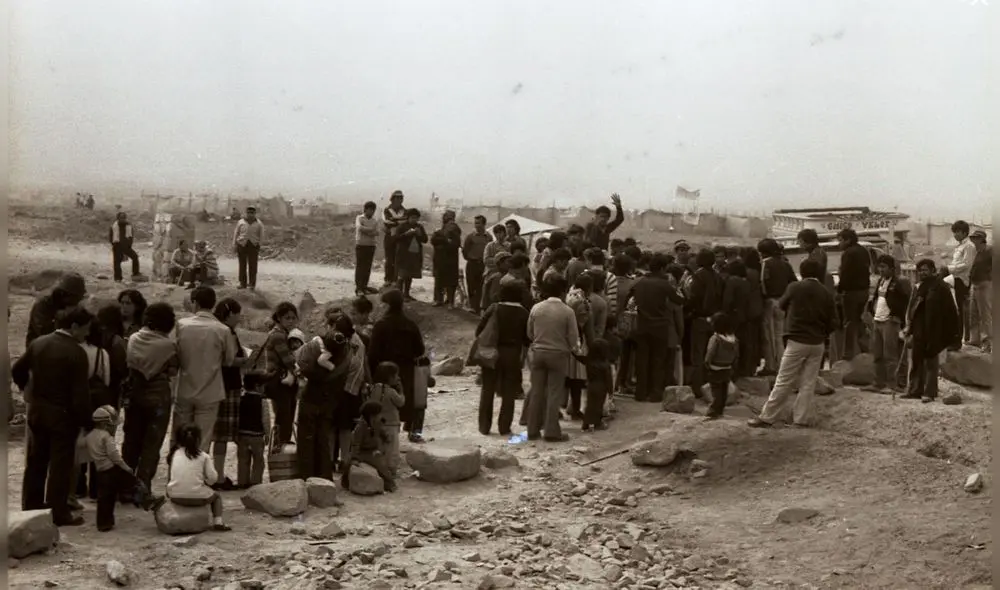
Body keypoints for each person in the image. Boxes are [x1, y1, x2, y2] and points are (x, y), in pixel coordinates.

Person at [14, 306, 93, 526]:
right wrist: (86, 422)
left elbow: (17, 369)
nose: (86, 334)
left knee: (35, 462)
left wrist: (27, 390)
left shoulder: (39, 343)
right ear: (74, 326)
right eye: (85, 329)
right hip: (63, 417)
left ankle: (30, 507)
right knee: (60, 466)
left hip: (37, 411)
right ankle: (58, 513)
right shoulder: (76, 352)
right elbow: (80, 395)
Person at [748, 259, 836, 428]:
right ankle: (801, 419)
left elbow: (781, 305)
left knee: (784, 380)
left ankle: (767, 417)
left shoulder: (795, 287)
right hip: (817, 343)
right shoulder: (825, 292)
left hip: (797, 339)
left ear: (802, 272)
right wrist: (823, 334)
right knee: (808, 383)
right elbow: (834, 321)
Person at [122, 302, 179, 492]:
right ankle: (143, 487)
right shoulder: (169, 345)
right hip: (158, 397)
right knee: (152, 445)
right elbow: (173, 370)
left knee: (131, 441)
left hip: (135, 394)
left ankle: (125, 487)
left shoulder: (133, 338)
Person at [174, 287, 237, 453]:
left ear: (194, 303)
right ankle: (197, 477)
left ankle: (176, 475)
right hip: (210, 391)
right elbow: (229, 360)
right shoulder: (222, 330)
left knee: (179, 438)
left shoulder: (181, 325)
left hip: (184, 389)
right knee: (202, 442)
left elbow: (175, 356)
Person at [85, 405, 164, 531]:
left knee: (105, 499)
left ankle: (104, 523)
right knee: (133, 483)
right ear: (107, 424)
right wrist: (126, 468)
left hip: (100, 471)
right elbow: (115, 456)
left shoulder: (89, 437)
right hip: (111, 469)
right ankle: (147, 501)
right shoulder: (106, 437)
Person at [368, 289, 427, 443]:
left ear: (387, 305)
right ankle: (415, 432)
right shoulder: (410, 325)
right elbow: (420, 350)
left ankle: (382, 437)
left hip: (384, 373)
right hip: (406, 372)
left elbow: (373, 353)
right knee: (412, 401)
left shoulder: (381, 325)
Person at [526, 276, 580, 442]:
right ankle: (551, 431)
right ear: (563, 291)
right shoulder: (567, 311)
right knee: (554, 392)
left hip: (538, 353)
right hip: (558, 355)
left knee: (537, 391)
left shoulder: (536, 308)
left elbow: (529, 333)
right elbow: (573, 338)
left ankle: (532, 429)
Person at [296, 324, 351, 481]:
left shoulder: (313, 362)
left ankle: (306, 477)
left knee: (306, 441)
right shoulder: (341, 362)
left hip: (310, 401)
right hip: (327, 402)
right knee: (323, 441)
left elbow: (304, 366)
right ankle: (324, 477)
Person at [902, 259, 961, 403]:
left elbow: (951, 311)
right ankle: (915, 390)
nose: (922, 273)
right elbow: (913, 308)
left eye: (925, 270)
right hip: (919, 329)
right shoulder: (919, 287)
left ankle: (929, 392)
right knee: (916, 360)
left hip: (934, 330)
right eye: (920, 270)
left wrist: (951, 333)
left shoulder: (941, 287)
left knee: (930, 361)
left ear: (933, 270)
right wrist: (909, 326)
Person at [476, 282, 530, 436]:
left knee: (487, 389)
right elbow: (527, 339)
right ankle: (504, 427)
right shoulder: (523, 313)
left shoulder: (494, 308)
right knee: (508, 392)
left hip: (491, 352)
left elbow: (479, 330)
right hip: (512, 353)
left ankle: (484, 426)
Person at [632, 253, 687, 402]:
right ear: (662, 268)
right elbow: (680, 300)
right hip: (660, 327)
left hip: (642, 325)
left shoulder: (640, 282)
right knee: (658, 361)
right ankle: (655, 393)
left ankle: (640, 392)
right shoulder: (664, 285)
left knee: (642, 361)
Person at [209, 298, 248, 490]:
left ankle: (213, 474)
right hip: (228, 385)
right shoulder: (226, 331)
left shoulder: (215, 329)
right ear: (230, 313)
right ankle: (217, 475)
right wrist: (245, 360)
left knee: (214, 434)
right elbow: (229, 360)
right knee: (222, 435)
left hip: (214, 384)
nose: (239, 318)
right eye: (237, 313)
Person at [166, 424, 232, 531]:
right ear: (198, 439)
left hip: (174, 495)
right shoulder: (203, 456)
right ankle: (218, 522)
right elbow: (213, 478)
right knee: (217, 497)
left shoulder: (174, 454)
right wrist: (207, 483)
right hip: (196, 496)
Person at [864, 255, 911, 394]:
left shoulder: (900, 282)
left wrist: (900, 319)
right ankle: (878, 382)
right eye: (879, 267)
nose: (881, 269)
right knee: (878, 354)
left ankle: (895, 384)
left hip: (891, 321)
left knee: (892, 355)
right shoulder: (881, 280)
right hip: (878, 320)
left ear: (892, 268)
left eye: (884, 267)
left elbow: (906, 302)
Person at [257, 302, 300, 448]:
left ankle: (280, 446)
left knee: (285, 415)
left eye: (293, 318)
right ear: (279, 318)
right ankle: (280, 447)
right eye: (287, 318)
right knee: (284, 416)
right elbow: (288, 360)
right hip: (278, 381)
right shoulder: (278, 336)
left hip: (283, 380)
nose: (291, 321)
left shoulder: (286, 334)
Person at [687, 249, 723, 398]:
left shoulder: (697, 276)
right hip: (714, 319)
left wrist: (690, 311)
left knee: (698, 355)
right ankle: (710, 387)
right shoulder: (717, 276)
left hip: (700, 319)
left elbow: (693, 297)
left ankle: (697, 388)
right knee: (712, 355)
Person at [758, 239, 794, 375]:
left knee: (768, 336)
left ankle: (771, 366)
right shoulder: (786, 264)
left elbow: (763, 283)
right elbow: (792, 282)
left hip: (769, 301)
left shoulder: (765, 264)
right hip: (782, 302)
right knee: (779, 336)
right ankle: (782, 365)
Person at [347, 400, 397, 492]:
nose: (381, 416)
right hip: (362, 452)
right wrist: (355, 458)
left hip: (373, 451)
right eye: (379, 414)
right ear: (372, 415)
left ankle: (389, 484)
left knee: (383, 468)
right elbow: (356, 444)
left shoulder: (377, 423)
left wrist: (386, 438)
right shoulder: (360, 427)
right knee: (349, 466)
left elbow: (383, 433)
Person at [836, 229, 871, 361]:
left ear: (848, 240)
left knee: (849, 322)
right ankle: (865, 348)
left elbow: (845, 274)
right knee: (859, 320)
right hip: (864, 291)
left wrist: (839, 291)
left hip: (851, 292)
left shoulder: (848, 253)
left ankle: (848, 353)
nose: (839, 244)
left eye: (840, 240)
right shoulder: (863, 250)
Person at [26, 273, 87, 348]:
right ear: (64, 294)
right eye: (76, 298)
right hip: (41, 349)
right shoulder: (43, 304)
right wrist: (64, 317)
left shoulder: (71, 304)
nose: (78, 301)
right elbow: (44, 333)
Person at [565, 273, 595, 419]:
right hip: (577, 341)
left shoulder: (569, 294)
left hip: (565, 340)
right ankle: (575, 409)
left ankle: (564, 406)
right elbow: (584, 326)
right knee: (576, 379)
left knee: (566, 377)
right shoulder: (582, 302)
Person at [367, 362, 406, 474]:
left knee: (381, 448)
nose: (398, 378)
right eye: (396, 375)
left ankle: (380, 468)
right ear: (389, 377)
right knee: (392, 449)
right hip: (392, 425)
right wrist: (401, 391)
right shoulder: (391, 392)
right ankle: (391, 470)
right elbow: (401, 402)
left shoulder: (373, 389)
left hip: (377, 423)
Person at [946, 220, 978, 345]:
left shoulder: (969, 246)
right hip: (954, 279)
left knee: (957, 310)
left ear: (964, 232)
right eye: (954, 232)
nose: (955, 235)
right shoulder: (959, 246)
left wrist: (949, 268)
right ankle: (953, 338)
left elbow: (966, 264)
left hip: (961, 281)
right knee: (953, 310)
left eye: (957, 232)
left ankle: (957, 341)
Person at [704, 312, 739, 420]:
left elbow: (710, 352)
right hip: (727, 368)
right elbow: (736, 355)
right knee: (724, 390)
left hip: (715, 368)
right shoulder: (734, 340)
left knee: (716, 391)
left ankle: (713, 411)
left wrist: (707, 363)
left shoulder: (715, 339)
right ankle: (720, 410)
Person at [721, 260, 751, 377]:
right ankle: (744, 369)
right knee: (743, 343)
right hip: (744, 316)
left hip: (733, 316)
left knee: (731, 344)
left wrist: (724, 313)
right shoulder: (746, 282)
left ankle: (732, 371)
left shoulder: (732, 281)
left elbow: (727, 301)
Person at [392, 208, 428, 300]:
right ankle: (399, 295)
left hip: (414, 255)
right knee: (402, 275)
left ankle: (406, 294)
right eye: (412, 217)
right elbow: (395, 238)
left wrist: (419, 234)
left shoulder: (419, 227)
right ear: (408, 218)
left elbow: (425, 239)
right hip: (403, 254)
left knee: (409, 275)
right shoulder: (402, 226)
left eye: (416, 218)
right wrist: (406, 234)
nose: (414, 220)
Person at [578, 338, 612, 432]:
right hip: (601, 387)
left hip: (591, 385)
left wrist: (573, 352)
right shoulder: (605, 364)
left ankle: (586, 424)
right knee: (598, 406)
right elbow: (609, 379)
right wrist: (610, 391)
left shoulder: (589, 361)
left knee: (590, 406)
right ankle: (597, 423)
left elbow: (579, 358)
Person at [431, 210, 463, 308]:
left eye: (446, 216)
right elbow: (434, 240)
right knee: (441, 279)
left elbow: (454, 244)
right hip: (442, 257)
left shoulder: (453, 228)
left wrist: (442, 241)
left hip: (449, 258)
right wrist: (444, 240)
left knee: (449, 280)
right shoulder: (443, 228)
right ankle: (442, 300)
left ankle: (448, 301)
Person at [740, 248, 764, 377]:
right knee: (755, 339)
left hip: (749, 309)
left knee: (748, 340)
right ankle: (753, 365)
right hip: (758, 307)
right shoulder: (758, 271)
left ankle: (747, 368)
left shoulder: (747, 273)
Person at [967, 230, 992, 352]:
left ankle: (987, 343)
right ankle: (975, 339)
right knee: (973, 313)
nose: (973, 240)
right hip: (975, 284)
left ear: (982, 239)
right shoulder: (977, 252)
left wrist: (989, 279)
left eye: (976, 238)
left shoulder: (990, 251)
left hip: (984, 284)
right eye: (973, 238)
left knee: (985, 315)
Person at [463, 215, 493, 314]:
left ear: (484, 224)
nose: (476, 225)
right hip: (472, 264)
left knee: (481, 286)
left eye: (478, 223)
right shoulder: (470, 236)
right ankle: (472, 306)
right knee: (471, 285)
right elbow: (465, 251)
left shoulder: (488, 237)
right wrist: (471, 258)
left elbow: (491, 250)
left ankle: (478, 307)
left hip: (483, 265)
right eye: (475, 223)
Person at [233, 206, 263, 290]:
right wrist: (234, 244)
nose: (250, 215)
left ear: (255, 214)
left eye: (252, 213)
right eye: (248, 213)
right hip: (242, 245)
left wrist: (259, 245)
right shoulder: (240, 222)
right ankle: (243, 283)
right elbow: (236, 233)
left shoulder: (259, 223)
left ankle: (252, 284)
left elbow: (261, 235)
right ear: (246, 213)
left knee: (253, 266)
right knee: (242, 265)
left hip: (253, 245)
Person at [354, 201, 380, 296]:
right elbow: (360, 228)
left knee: (367, 268)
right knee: (360, 267)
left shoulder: (374, 221)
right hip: (361, 245)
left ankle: (364, 287)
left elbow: (377, 232)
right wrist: (370, 230)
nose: (371, 212)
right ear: (365, 209)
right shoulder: (359, 218)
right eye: (370, 209)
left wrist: (367, 231)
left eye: (373, 210)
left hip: (371, 246)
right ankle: (359, 288)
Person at [382, 190, 407, 286]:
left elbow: (405, 222)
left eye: (401, 198)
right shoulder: (387, 210)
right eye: (397, 198)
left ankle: (396, 280)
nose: (399, 200)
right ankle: (388, 279)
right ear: (392, 199)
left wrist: (395, 221)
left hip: (400, 237)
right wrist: (400, 222)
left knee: (399, 259)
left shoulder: (404, 210)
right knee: (389, 259)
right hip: (390, 237)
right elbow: (387, 222)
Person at [109, 211, 141, 282]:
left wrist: (129, 245)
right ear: (118, 218)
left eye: (124, 218)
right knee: (117, 262)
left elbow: (131, 237)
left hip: (127, 247)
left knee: (135, 257)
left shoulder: (128, 226)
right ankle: (118, 278)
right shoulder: (113, 227)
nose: (123, 219)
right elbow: (111, 238)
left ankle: (135, 273)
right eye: (121, 218)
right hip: (117, 246)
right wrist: (115, 245)